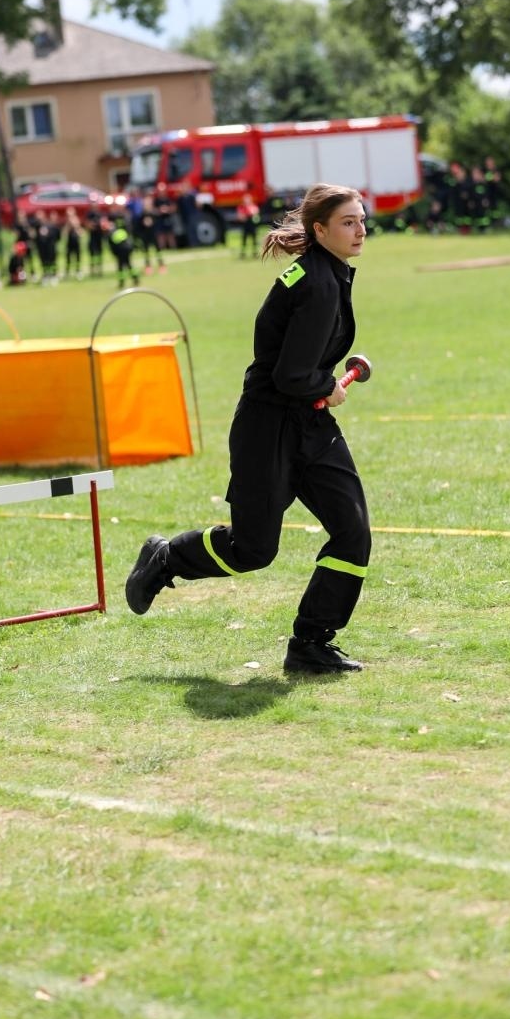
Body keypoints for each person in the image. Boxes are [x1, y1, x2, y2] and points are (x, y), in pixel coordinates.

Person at [125, 183, 371, 674]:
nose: (360, 229)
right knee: (252, 550)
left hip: (308, 422)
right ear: (319, 229)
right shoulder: (319, 283)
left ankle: (310, 643)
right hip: (268, 427)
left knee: (352, 532)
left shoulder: (325, 273)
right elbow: (291, 376)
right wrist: (329, 383)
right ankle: (167, 557)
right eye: (348, 222)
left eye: (362, 220)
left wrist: (320, 385)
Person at [236, 191, 260, 257]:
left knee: (254, 240)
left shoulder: (253, 206)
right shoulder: (241, 207)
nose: (246, 201)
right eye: (245, 199)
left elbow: (255, 214)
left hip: (252, 226)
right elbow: (240, 217)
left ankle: (255, 253)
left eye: (247, 199)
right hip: (245, 226)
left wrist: (249, 213)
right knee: (244, 240)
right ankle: (243, 254)